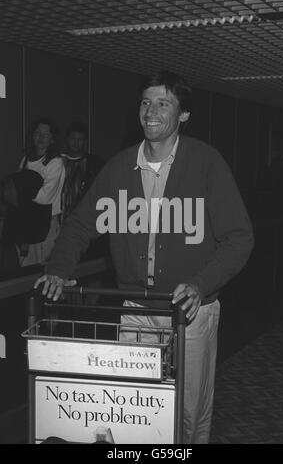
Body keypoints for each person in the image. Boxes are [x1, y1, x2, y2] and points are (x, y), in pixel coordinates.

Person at [34, 71, 254, 444]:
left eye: (163, 103)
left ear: (183, 114)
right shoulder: (120, 167)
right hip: (136, 306)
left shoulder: (206, 163)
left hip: (190, 311)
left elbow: (239, 238)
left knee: (187, 415)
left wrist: (201, 285)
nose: (151, 111)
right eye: (145, 102)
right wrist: (58, 270)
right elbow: (80, 225)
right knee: (135, 411)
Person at [19, 119, 65, 266]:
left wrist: (22, 191)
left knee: (45, 269)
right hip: (26, 222)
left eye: (46, 134)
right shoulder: (25, 160)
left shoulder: (55, 162)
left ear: (52, 139)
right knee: (25, 269)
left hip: (46, 224)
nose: (41, 137)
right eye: (38, 133)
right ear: (32, 136)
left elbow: (44, 197)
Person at [61, 121, 104, 221]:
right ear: (67, 139)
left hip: (84, 219)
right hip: (59, 219)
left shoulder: (94, 164)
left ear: (85, 141)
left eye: (80, 139)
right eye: (73, 139)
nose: (76, 143)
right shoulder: (58, 161)